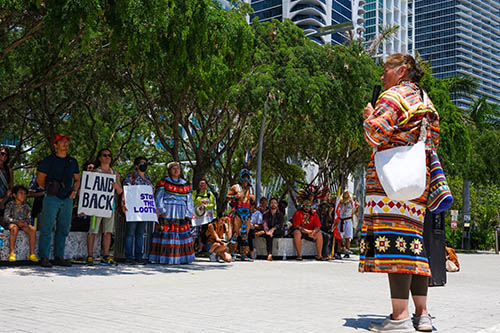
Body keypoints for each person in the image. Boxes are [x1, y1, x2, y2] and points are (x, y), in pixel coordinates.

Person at [359, 53, 439, 332]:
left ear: (402, 70)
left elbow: (375, 135)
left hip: (390, 183)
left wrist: (369, 118)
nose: (382, 77)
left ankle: (399, 316)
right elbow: (434, 140)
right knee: (414, 246)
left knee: (395, 245)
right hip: (417, 182)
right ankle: (422, 314)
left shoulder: (392, 96)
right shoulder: (425, 100)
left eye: (385, 70)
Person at [36, 134, 80, 267]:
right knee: (47, 227)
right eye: (62, 142)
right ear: (55, 145)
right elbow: (39, 179)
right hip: (51, 198)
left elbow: (77, 179)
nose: (65, 144)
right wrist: (50, 189)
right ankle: (44, 257)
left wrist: (74, 192)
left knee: (64, 228)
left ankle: (59, 256)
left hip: (67, 198)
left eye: (67, 141)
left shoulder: (72, 161)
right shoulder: (48, 160)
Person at [150, 161, 195, 264]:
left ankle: (181, 258)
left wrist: (188, 213)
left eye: (178, 168)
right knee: (166, 233)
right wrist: (161, 210)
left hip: (181, 212)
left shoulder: (186, 184)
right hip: (168, 210)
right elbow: (159, 197)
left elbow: (189, 200)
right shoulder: (163, 182)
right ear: (169, 170)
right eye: (173, 168)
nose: (176, 170)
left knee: (180, 233)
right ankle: (165, 258)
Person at [86, 148, 122, 266]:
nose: (107, 157)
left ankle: (105, 255)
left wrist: (116, 186)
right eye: (105, 155)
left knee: (108, 232)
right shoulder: (95, 172)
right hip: (96, 207)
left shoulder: (115, 173)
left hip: (109, 207)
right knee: (93, 231)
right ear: (100, 158)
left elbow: (120, 191)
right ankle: (90, 256)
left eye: (109, 155)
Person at [122, 156, 154, 264]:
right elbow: (125, 190)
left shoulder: (148, 178)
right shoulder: (132, 176)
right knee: (130, 233)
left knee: (140, 233)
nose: (144, 165)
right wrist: (123, 203)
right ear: (136, 165)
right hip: (133, 209)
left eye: (145, 163)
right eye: (142, 163)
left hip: (144, 211)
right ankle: (129, 256)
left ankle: (139, 256)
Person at [3, 185, 39, 262]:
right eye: (20, 193)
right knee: (14, 228)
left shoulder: (27, 206)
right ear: (14, 195)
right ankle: (11, 253)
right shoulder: (10, 204)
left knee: (32, 229)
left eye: (25, 193)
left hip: (23, 224)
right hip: (12, 223)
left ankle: (31, 254)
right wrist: (16, 222)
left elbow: (29, 217)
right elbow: (6, 218)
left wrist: (25, 223)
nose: (23, 195)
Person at [226, 168, 255, 261]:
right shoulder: (235, 187)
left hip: (247, 212)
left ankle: (244, 255)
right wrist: (235, 196)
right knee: (235, 233)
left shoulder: (251, 189)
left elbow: (253, 201)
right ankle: (232, 253)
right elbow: (227, 197)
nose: (246, 179)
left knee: (245, 234)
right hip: (238, 211)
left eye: (247, 177)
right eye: (244, 177)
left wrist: (253, 198)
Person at [192, 178, 216, 254]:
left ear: (206, 185)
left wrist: (205, 206)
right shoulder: (195, 193)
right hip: (196, 217)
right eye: (200, 184)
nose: (202, 185)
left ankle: (200, 249)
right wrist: (200, 201)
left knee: (203, 233)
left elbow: (212, 205)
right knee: (194, 234)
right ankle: (191, 250)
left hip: (206, 218)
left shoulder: (209, 194)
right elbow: (191, 202)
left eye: (204, 184)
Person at [338, 190, 359, 258]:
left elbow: (355, 212)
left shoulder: (352, 203)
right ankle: (339, 250)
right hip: (341, 220)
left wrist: (356, 208)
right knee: (339, 236)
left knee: (348, 236)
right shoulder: (340, 202)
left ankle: (347, 250)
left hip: (348, 219)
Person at [0, 147, 13, 226]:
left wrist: (4, 200)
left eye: (6, 155)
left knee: (4, 223)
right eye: (2, 153)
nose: (4, 156)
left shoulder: (9, 169)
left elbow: (11, 186)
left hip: (6, 199)